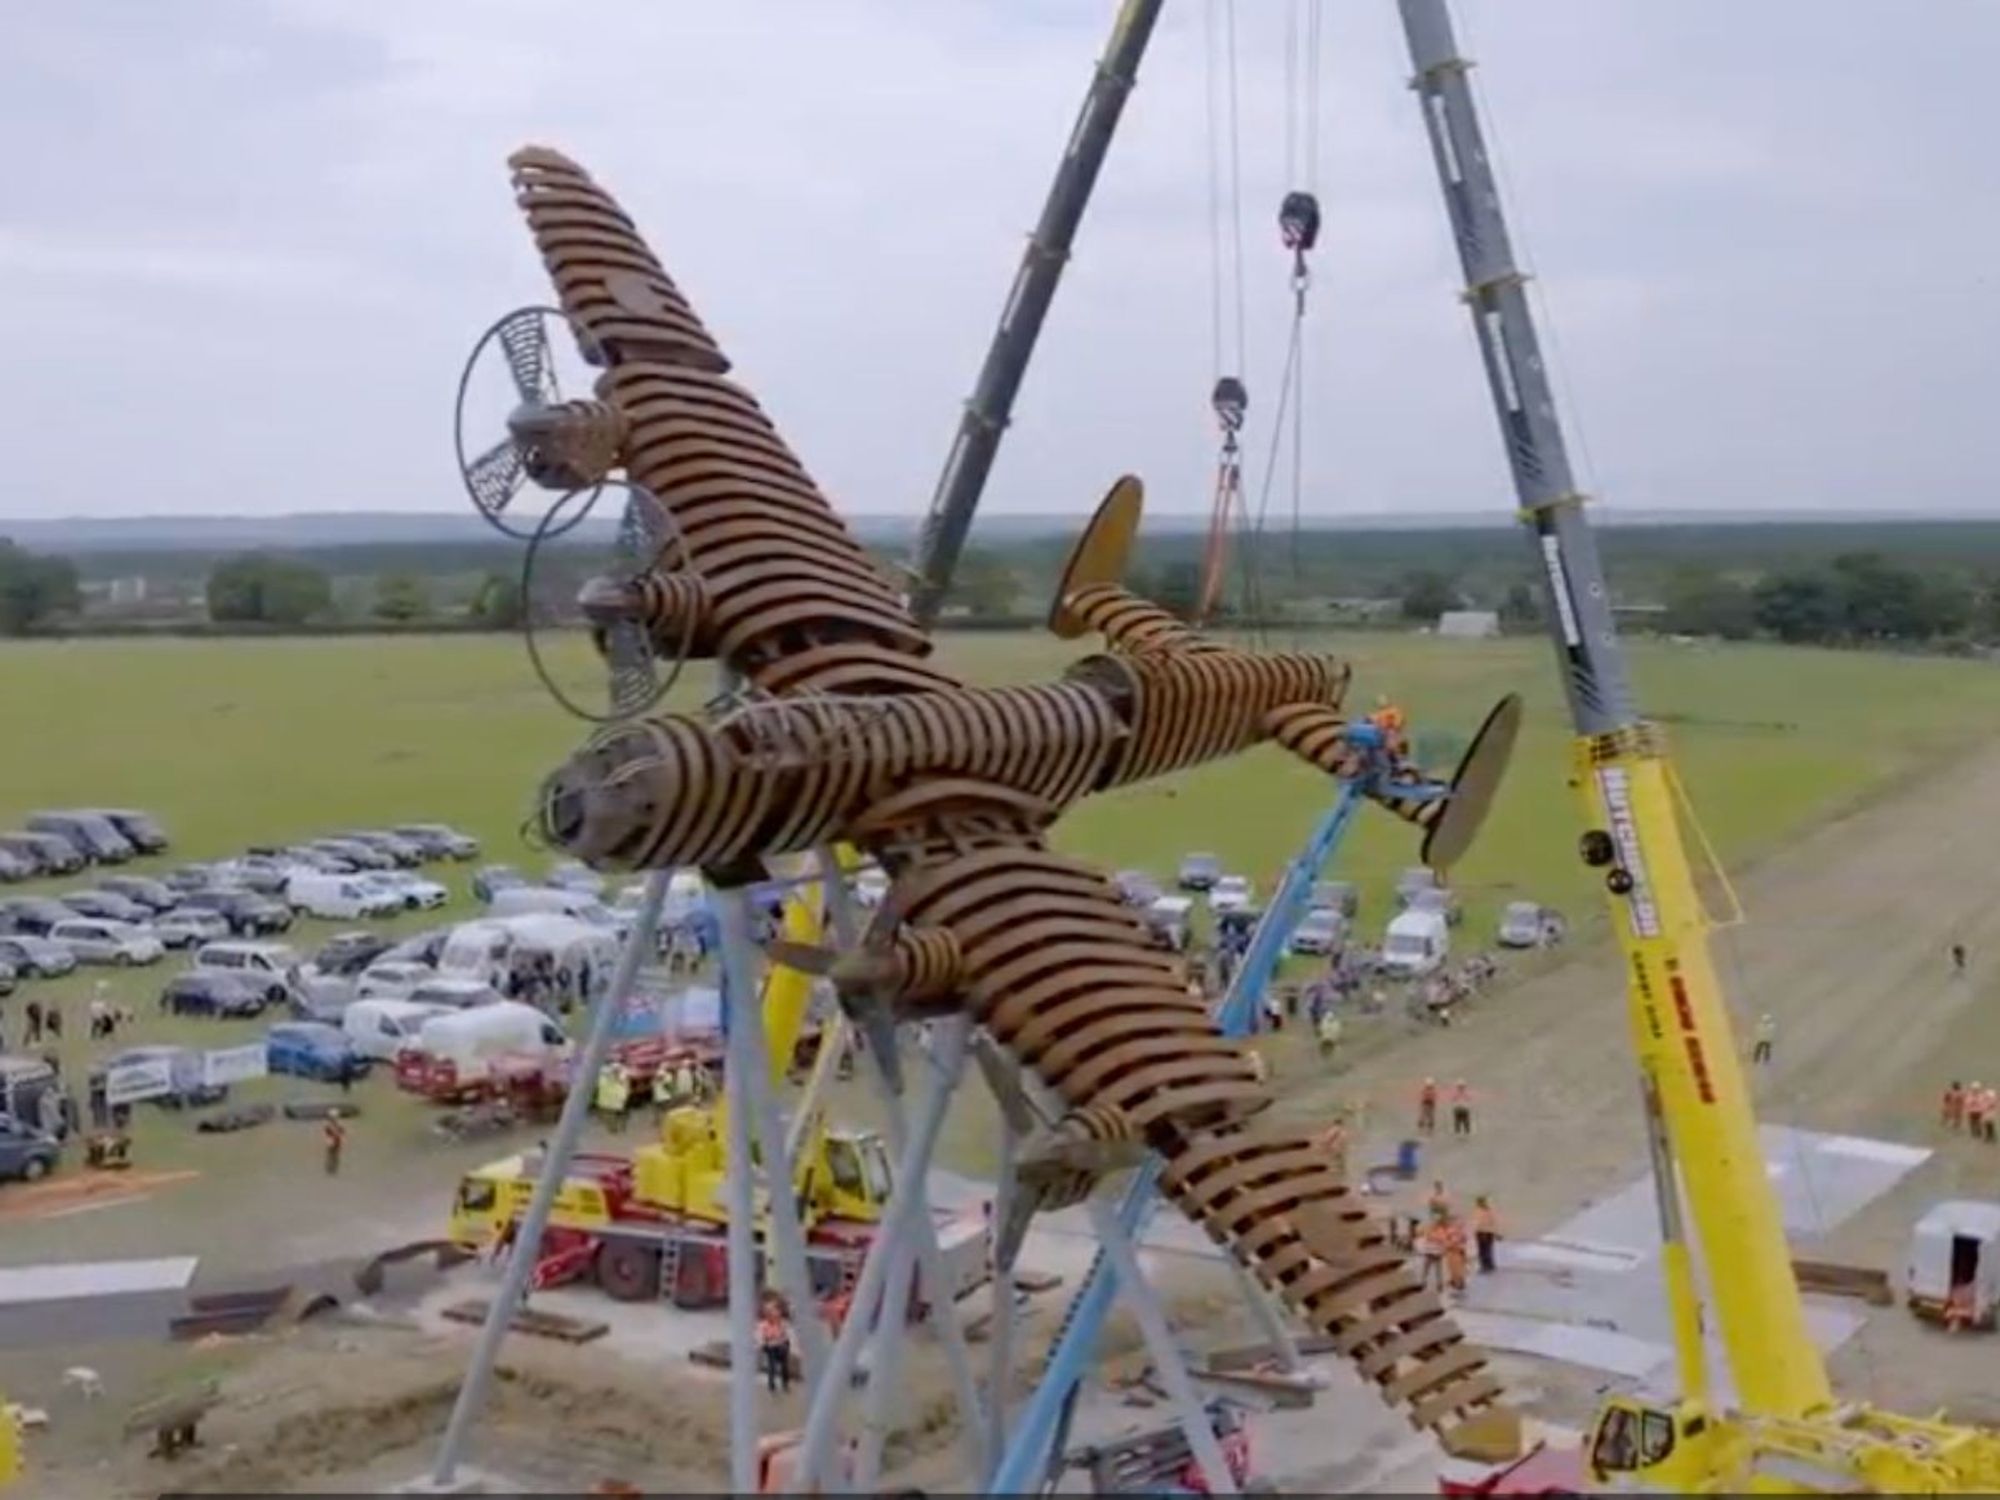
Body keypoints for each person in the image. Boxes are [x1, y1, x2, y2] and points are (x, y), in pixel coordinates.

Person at [757, 1298, 794, 1394]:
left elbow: (786, 1337)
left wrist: (781, 1342)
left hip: (781, 1345)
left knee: (784, 1364)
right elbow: (761, 1339)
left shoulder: (783, 1324)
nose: (773, 1314)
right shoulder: (763, 1325)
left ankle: (785, 1384)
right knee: (772, 1364)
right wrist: (764, 1343)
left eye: (774, 1311)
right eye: (769, 1312)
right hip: (770, 1347)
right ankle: (772, 1385)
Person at [597, 1062, 630, 1130]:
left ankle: (620, 1125)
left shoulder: (623, 1074)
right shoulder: (605, 1075)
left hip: (620, 1097)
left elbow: (624, 1083)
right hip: (611, 1098)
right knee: (612, 1112)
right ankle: (613, 1126)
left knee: (621, 1112)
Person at [1441, 1216, 1470, 1294]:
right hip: (1451, 1252)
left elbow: (1464, 1241)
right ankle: (1456, 1283)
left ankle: (1459, 1284)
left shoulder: (1461, 1233)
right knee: (1453, 1269)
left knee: (1459, 1269)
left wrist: (1459, 1245)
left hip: (1457, 1252)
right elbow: (1445, 1241)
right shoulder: (1449, 1232)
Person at [1416, 1218, 1446, 1291]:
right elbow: (1426, 1237)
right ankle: (1423, 1283)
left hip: (1438, 1254)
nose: (1434, 1224)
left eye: (1435, 1222)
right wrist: (1434, 1237)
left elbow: (1442, 1239)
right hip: (1429, 1253)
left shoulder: (1440, 1230)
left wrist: (1433, 1237)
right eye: (1433, 1222)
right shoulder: (1428, 1229)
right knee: (1426, 1269)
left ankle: (1439, 1284)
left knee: (1438, 1270)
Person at [1473, 1195, 1500, 1274]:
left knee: (1484, 1250)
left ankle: (1486, 1265)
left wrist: (1496, 1232)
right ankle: (1489, 1265)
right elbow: (1494, 1222)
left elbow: (1480, 1223)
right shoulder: (1488, 1210)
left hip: (1484, 1232)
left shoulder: (1482, 1211)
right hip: (1485, 1232)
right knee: (1487, 1249)